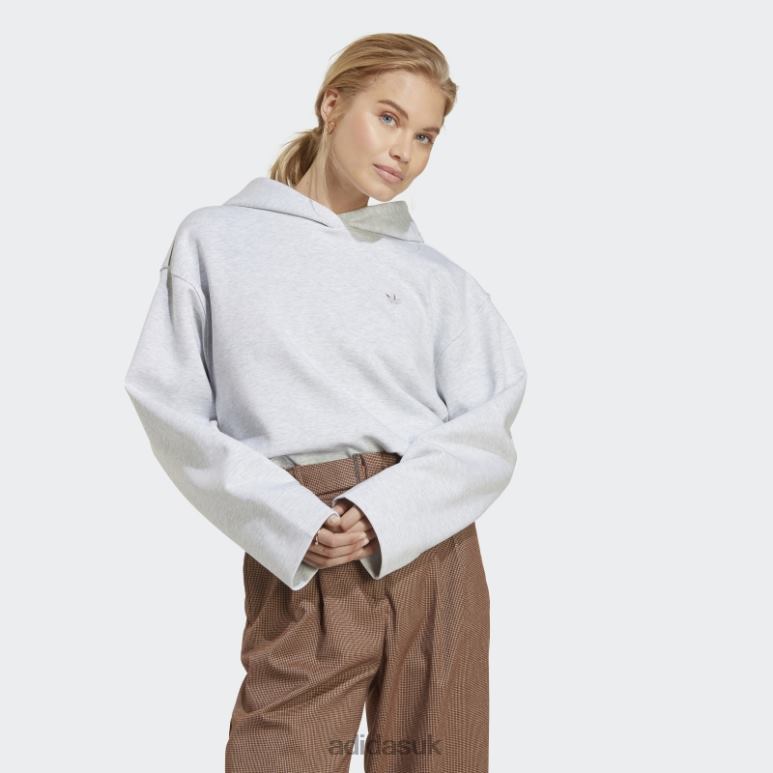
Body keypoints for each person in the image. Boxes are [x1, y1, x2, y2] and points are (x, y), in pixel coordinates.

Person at [124, 32, 527, 773]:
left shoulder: (437, 277)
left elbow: (487, 428)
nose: (403, 149)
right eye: (388, 117)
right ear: (331, 105)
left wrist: (384, 513)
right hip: (306, 542)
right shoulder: (217, 239)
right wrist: (288, 518)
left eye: (425, 135)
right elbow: (168, 405)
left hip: (430, 542)